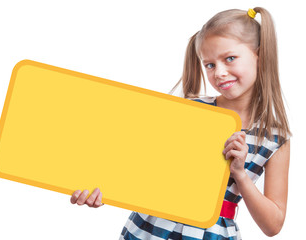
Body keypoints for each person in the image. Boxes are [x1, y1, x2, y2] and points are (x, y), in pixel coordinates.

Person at [70, 7, 291, 239]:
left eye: (230, 58)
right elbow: (136, 166)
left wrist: (241, 175)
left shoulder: (275, 139)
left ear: (261, 54)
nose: (219, 73)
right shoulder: (191, 110)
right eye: (210, 65)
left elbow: (272, 226)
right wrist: (99, 190)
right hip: (149, 231)